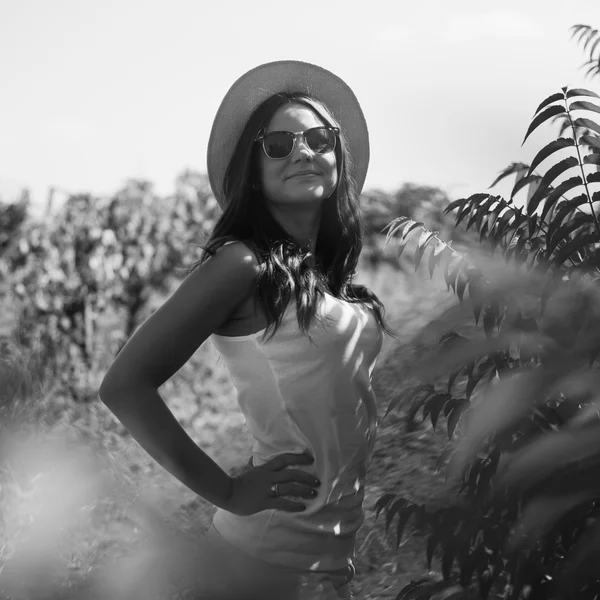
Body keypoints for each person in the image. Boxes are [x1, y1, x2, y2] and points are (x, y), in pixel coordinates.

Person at [98, 60, 398, 599]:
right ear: (252, 172)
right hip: (261, 566)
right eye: (279, 143)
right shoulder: (243, 264)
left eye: (318, 138)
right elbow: (124, 385)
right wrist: (229, 492)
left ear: (338, 155)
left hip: (328, 562)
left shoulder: (327, 277)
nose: (303, 150)